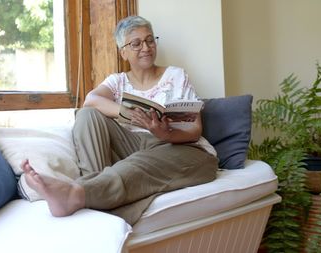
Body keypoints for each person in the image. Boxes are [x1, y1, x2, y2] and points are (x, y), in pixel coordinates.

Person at [21, 15, 218, 225]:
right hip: (135, 145)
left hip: (181, 148)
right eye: (136, 43)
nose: (146, 47)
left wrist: (165, 133)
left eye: (150, 40)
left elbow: (195, 130)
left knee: (140, 163)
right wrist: (127, 113)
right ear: (123, 52)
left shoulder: (176, 75)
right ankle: (95, 190)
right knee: (87, 114)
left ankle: (77, 193)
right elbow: (91, 100)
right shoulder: (117, 82)